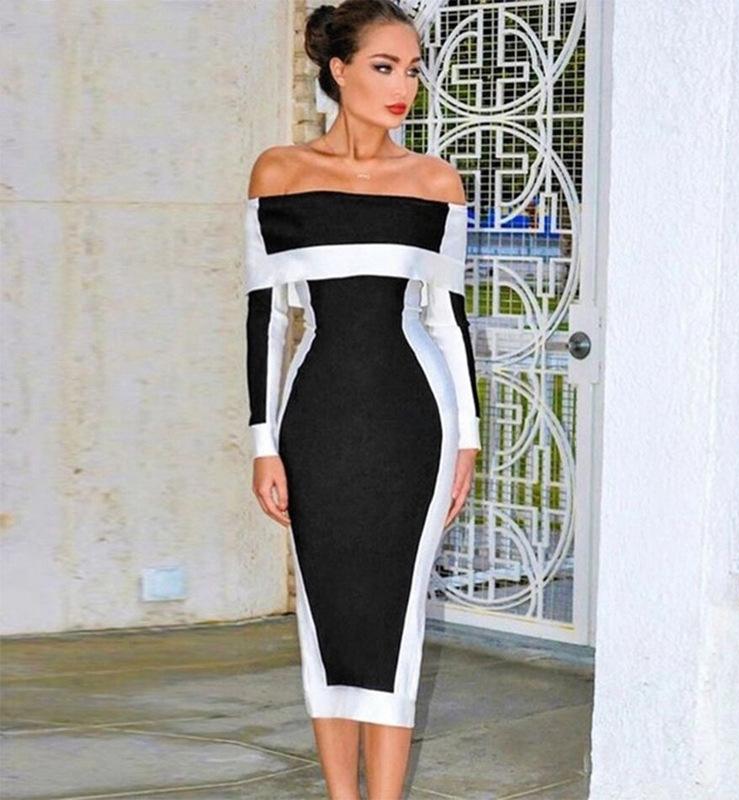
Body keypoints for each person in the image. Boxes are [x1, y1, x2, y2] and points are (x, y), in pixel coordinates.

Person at [243, 1, 481, 797]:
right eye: (384, 66)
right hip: (316, 425)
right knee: (326, 616)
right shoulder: (279, 174)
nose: (402, 86)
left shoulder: (435, 182)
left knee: (396, 617)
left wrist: (469, 439)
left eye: (411, 69)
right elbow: (266, 320)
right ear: (339, 70)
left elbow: (447, 321)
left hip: (416, 425)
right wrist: (263, 444)